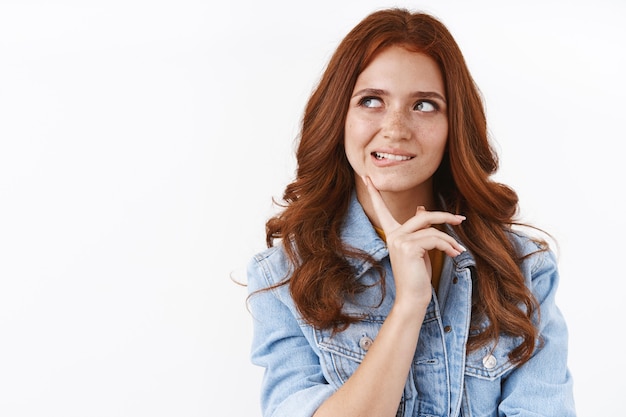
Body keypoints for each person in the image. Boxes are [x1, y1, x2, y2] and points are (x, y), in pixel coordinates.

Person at [246, 7, 576, 417]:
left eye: (424, 105)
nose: (396, 127)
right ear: (338, 117)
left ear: (455, 123)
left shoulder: (523, 269)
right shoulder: (284, 277)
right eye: (371, 101)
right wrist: (409, 306)